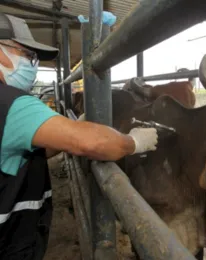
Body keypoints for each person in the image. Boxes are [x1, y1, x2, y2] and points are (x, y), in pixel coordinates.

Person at [0, 13, 158, 259]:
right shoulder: (12, 104)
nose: (32, 64)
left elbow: (24, 154)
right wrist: (133, 142)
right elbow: (95, 143)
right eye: (27, 55)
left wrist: (68, 131)